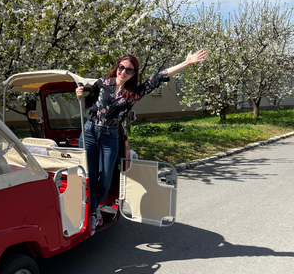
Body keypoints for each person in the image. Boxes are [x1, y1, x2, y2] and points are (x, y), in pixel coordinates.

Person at [76, 49, 208, 234]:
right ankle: (91, 213)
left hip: (110, 136)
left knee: (104, 179)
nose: (123, 72)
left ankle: (92, 210)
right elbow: (87, 105)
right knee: (87, 176)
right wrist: (80, 96)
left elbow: (159, 77)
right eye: (121, 67)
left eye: (128, 70)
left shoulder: (134, 92)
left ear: (133, 74)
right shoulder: (102, 83)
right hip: (89, 132)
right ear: (117, 68)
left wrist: (186, 63)